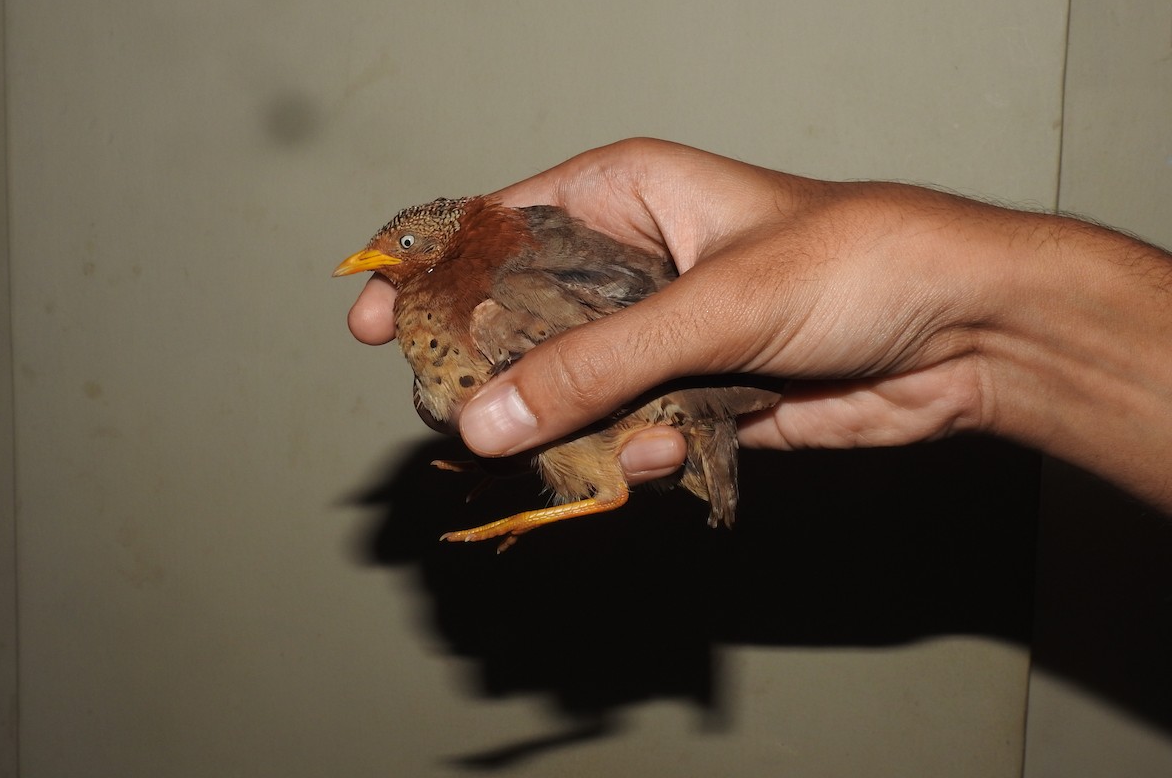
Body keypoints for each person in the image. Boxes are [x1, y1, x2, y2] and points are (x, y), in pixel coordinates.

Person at [346, 138, 1172, 511]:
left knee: (595, 474)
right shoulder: (467, 287)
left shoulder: (497, 302)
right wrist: (979, 358)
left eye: (403, 246)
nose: (378, 259)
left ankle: (580, 500)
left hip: (672, 412)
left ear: (448, 246)